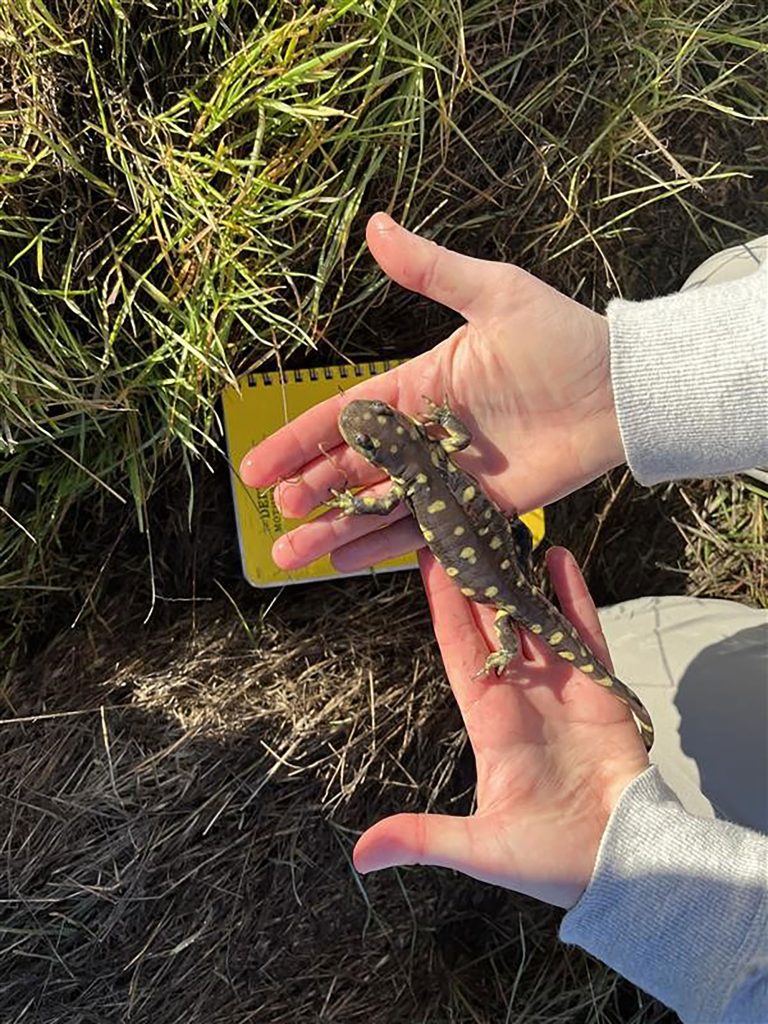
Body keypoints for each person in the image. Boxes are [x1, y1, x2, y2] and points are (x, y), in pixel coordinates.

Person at [240, 214, 768, 1022]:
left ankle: (619, 690)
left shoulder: (410, 481)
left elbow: (381, 494)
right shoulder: (436, 455)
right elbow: (434, 447)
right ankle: (619, 690)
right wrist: (628, 377)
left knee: (592, 655)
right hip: (500, 575)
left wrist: (354, 499)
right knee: (582, 652)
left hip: (507, 588)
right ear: (405, 440)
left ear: (392, 449)